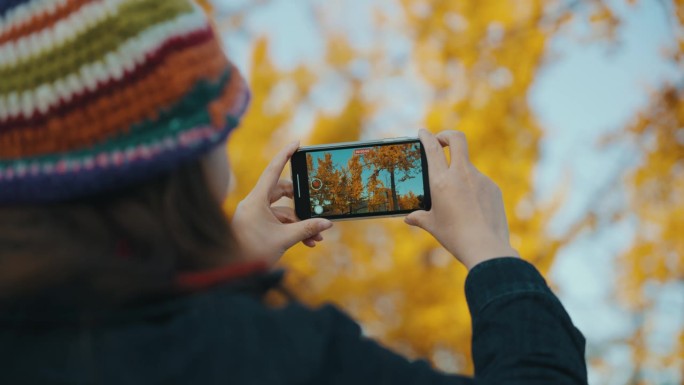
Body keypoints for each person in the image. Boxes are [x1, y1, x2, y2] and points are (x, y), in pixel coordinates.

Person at [0, 0, 588, 384]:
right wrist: (494, 258)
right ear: (182, 158)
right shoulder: (271, 357)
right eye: (222, 126)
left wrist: (222, 266)